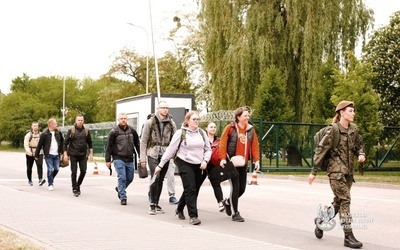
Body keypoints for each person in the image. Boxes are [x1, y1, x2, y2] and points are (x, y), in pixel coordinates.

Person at [308, 100, 365, 249]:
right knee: (346, 199)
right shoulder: (332, 130)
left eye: (353, 111)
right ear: (342, 113)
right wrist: (313, 171)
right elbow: (321, 151)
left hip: (348, 173)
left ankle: (321, 221)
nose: (353, 113)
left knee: (338, 203)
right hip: (335, 172)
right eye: (350, 111)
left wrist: (361, 154)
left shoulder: (354, 130)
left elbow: (359, 145)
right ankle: (348, 236)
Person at [155, 111, 211, 225]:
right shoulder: (181, 133)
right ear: (187, 121)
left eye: (197, 119)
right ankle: (193, 216)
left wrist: (205, 160)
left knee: (192, 189)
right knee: (191, 188)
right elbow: (170, 150)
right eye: (194, 119)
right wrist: (161, 165)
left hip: (199, 164)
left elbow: (208, 149)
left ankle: (179, 208)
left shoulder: (202, 133)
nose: (196, 121)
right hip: (184, 162)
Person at [219, 107, 260, 222]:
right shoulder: (230, 128)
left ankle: (227, 202)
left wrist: (256, 160)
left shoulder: (251, 130)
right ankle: (235, 213)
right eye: (245, 116)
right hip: (231, 162)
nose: (247, 118)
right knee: (235, 187)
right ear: (238, 117)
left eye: (248, 116)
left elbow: (255, 146)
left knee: (242, 189)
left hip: (243, 162)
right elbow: (222, 145)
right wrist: (222, 159)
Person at [140, 101, 177, 215]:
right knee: (155, 176)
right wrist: (142, 159)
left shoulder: (171, 123)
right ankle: (152, 204)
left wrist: (175, 156)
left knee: (160, 179)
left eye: (167, 108)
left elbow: (175, 140)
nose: (165, 110)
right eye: (163, 107)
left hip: (165, 155)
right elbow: (143, 141)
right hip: (152, 154)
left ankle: (156, 202)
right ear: (158, 108)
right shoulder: (150, 122)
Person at [105, 113, 140, 205]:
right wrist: (107, 160)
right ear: (118, 120)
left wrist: (141, 156)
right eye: (121, 118)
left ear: (127, 119)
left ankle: (120, 188)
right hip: (118, 158)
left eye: (125, 118)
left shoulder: (132, 131)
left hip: (129, 158)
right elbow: (108, 146)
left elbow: (137, 144)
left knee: (130, 178)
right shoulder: (114, 132)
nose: (123, 120)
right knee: (122, 177)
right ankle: (123, 197)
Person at [63, 115, 94, 197]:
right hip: (73, 154)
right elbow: (65, 143)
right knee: (74, 172)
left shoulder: (86, 131)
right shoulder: (71, 130)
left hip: (83, 154)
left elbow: (90, 143)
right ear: (76, 121)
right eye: (78, 120)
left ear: (83, 121)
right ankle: (74, 188)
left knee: (83, 171)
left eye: (81, 120)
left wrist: (91, 154)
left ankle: (78, 184)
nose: (80, 121)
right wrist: (65, 154)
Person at [35, 118, 64, 191]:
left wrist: (63, 151)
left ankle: (48, 178)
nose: (56, 125)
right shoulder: (44, 134)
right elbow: (39, 145)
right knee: (50, 169)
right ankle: (50, 184)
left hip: (57, 154)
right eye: (55, 124)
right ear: (51, 125)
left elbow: (62, 142)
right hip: (48, 155)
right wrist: (36, 155)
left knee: (57, 169)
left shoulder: (58, 132)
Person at [205, 122, 225, 212]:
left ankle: (220, 202)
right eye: (211, 127)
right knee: (195, 185)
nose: (213, 128)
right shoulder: (202, 138)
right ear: (206, 128)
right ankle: (190, 202)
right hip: (203, 164)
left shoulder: (218, 140)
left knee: (216, 183)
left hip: (213, 165)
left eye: (214, 127)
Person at [24, 121, 45, 186]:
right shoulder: (29, 135)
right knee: (29, 167)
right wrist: (28, 151)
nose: (36, 127)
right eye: (34, 126)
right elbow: (26, 144)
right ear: (32, 127)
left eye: (37, 126)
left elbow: (44, 144)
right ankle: (29, 180)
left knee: (39, 165)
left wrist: (45, 153)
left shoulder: (41, 135)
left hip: (39, 152)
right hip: (30, 151)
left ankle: (40, 179)